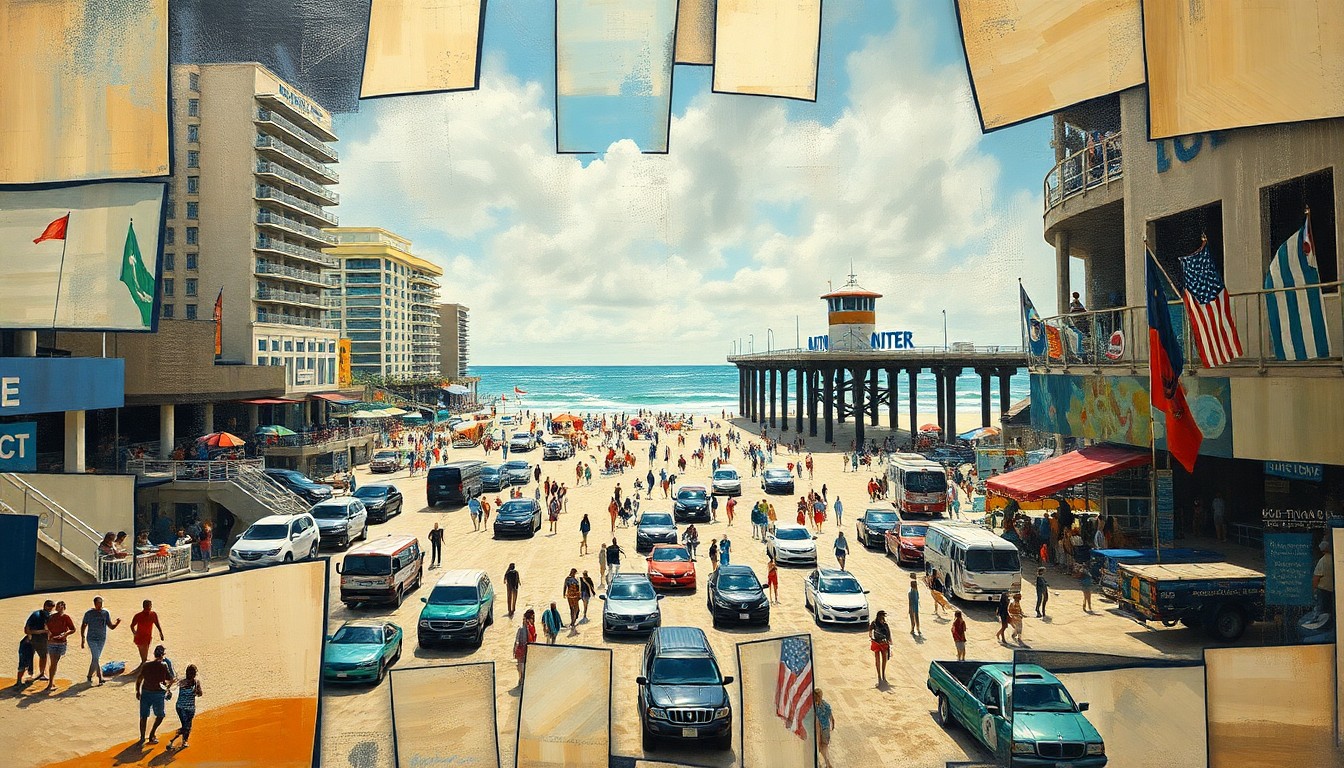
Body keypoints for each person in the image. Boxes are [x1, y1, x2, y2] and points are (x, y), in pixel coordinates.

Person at [136, 644, 175, 745]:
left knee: (143, 716)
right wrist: (168, 687)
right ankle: (152, 734)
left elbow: (139, 679)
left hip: (146, 692)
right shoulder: (164, 665)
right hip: (158, 693)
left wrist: (137, 691)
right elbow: (170, 679)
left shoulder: (146, 665)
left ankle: (142, 737)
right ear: (163, 655)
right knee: (160, 715)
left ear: (154, 654)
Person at [80, 596, 120, 686]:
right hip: (91, 638)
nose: (100, 605)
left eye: (101, 603)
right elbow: (84, 625)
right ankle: (100, 677)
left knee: (95, 658)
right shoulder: (89, 613)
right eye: (98, 604)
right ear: (94, 604)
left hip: (101, 639)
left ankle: (89, 675)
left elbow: (111, 626)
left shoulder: (105, 613)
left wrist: (117, 623)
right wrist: (83, 637)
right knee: (96, 657)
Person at [165, 663, 202, 751]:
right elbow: (170, 687)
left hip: (191, 707)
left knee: (188, 726)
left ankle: (184, 741)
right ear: (187, 673)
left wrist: (197, 691)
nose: (192, 675)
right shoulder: (182, 682)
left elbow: (200, 694)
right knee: (185, 726)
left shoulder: (196, 682)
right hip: (181, 707)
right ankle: (172, 740)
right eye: (190, 673)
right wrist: (168, 692)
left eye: (193, 673)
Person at [43, 601, 76, 691]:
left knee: (54, 662)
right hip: (53, 642)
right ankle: (50, 683)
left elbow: (73, 629)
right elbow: (46, 627)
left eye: (61, 607)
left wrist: (65, 634)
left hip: (60, 642)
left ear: (64, 608)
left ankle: (51, 682)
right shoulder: (51, 617)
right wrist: (50, 634)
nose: (59, 608)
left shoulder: (66, 617)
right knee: (54, 663)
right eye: (58, 606)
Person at [23, 599, 53, 683]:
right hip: (36, 639)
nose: (50, 610)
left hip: (40, 639)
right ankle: (37, 674)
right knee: (36, 656)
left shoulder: (45, 615)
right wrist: (39, 633)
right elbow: (27, 629)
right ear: (45, 606)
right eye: (49, 608)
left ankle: (41, 673)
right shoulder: (37, 615)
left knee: (41, 656)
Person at [1312, 537, 1335, 620]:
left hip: (1323, 591)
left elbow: (1316, 578)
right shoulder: (1334, 559)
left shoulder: (1323, 561)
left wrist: (1314, 590)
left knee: (1322, 612)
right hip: (1332, 590)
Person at [813, 688, 835, 768]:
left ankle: (824, 763)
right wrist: (832, 726)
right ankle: (827, 763)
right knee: (824, 747)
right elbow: (832, 718)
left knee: (819, 748)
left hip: (819, 730)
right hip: (825, 729)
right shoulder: (826, 705)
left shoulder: (814, 707)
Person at [514, 609, 536, 686]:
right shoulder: (522, 628)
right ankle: (521, 678)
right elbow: (517, 640)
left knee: (524, 666)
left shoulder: (531, 627)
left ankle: (522, 679)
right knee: (521, 666)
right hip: (521, 649)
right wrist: (515, 648)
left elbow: (533, 639)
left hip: (528, 650)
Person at [869, 611, 891, 685]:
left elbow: (888, 634)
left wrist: (888, 640)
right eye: (882, 616)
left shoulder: (885, 624)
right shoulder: (874, 623)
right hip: (876, 643)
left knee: (884, 659)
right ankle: (879, 675)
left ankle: (883, 674)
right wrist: (872, 637)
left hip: (884, 644)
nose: (883, 618)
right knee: (877, 660)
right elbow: (870, 631)